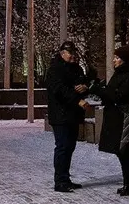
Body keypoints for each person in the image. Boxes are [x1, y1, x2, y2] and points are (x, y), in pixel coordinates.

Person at [92, 45, 129, 196]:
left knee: (124, 151)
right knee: (122, 152)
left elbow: (119, 96)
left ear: (123, 60)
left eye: (116, 58)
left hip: (127, 118)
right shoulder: (121, 74)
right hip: (120, 117)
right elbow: (112, 93)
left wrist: (100, 91)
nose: (114, 60)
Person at [46, 41, 90, 193]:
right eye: (69, 53)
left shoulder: (77, 68)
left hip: (73, 115)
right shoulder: (54, 70)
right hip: (60, 115)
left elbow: (82, 84)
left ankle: (65, 178)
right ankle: (60, 181)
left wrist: (85, 87)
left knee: (69, 147)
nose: (72, 56)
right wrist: (78, 99)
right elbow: (60, 90)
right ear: (62, 53)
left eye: (73, 53)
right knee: (63, 147)